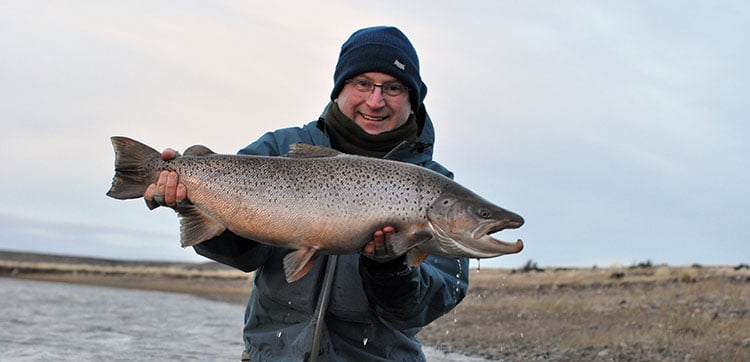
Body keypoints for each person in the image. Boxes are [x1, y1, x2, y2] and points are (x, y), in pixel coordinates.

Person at [145, 26, 469, 362]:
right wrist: (190, 201)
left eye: (393, 88)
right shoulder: (278, 149)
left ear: (413, 98)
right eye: (363, 84)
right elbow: (244, 256)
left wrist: (391, 271)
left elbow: (427, 304)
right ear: (339, 88)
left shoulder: (436, 186)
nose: (376, 100)